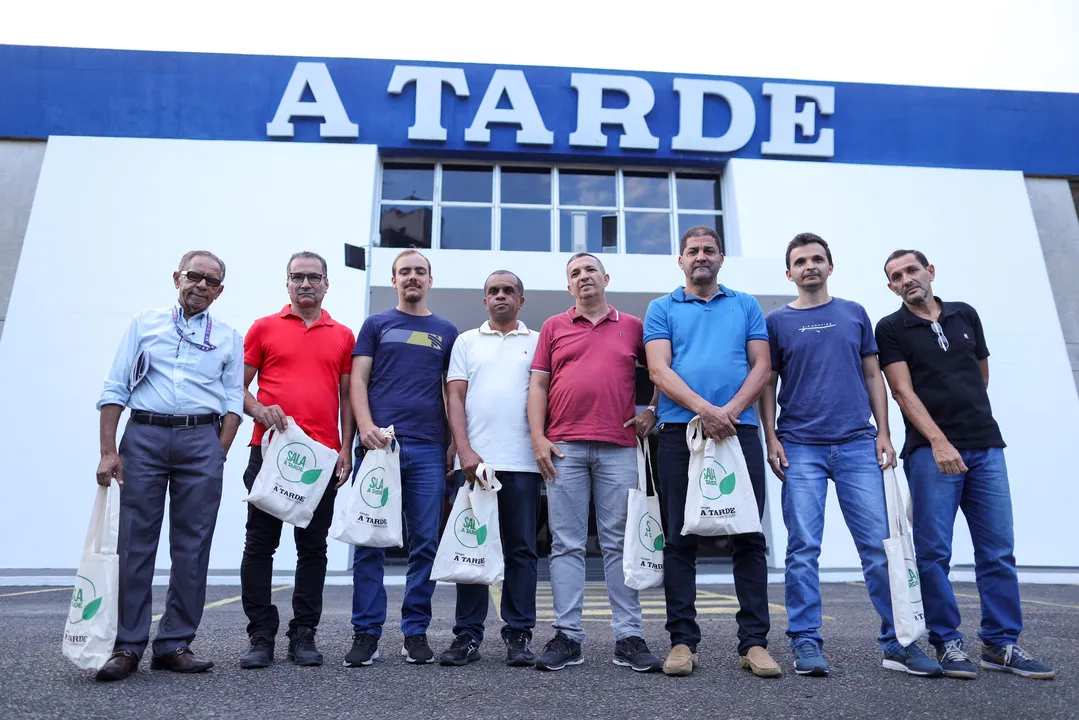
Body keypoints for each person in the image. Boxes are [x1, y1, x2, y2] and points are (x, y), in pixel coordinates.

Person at [761, 233, 942, 677]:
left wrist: (883, 432)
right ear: (789, 273)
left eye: (817, 259)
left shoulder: (853, 313)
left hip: (857, 444)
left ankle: (898, 644)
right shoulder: (777, 321)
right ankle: (806, 642)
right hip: (800, 445)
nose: (810, 266)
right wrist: (771, 438)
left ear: (830, 266)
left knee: (880, 548)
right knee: (803, 548)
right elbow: (767, 382)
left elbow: (872, 376)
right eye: (801, 261)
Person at [875, 250, 1056, 680]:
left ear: (930, 272)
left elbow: (980, 376)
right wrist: (939, 441)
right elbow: (901, 391)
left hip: (986, 447)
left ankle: (1001, 644)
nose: (906, 279)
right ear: (891, 287)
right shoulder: (891, 328)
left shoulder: (965, 315)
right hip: (929, 454)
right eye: (896, 276)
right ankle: (948, 643)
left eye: (912, 270)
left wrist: (967, 430)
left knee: (997, 551)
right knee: (935, 553)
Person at [93, 251, 244, 682]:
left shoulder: (230, 336)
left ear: (219, 291)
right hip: (145, 436)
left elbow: (234, 399)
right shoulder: (145, 323)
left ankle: (175, 643)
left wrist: (219, 449)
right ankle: (127, 645)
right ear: (177, 277)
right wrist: (108, 450)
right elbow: (115, 385)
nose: (201, 284)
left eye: (211, 280)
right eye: (193, 275)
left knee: (192, 546)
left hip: (202, 439)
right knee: (135, 543)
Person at [643, 225, 778, 678]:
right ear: (680, 260)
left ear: (721, 258)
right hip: (682, 433)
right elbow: (659, 371)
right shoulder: (661, 308)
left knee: (749, 536)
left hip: (739, 431)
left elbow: (762, 365)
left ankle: (754, 644)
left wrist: (731, 412)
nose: (701, 256)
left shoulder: (746, 305)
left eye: (709, 250)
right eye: (693, 251)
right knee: (680, 539)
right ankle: (682, 642)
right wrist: (706, 411)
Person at [527, 252, 662, 673]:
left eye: (589, 270)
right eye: (575, 273)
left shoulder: (633, 327)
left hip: (619, 445)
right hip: (563, 446)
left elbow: (660, 371)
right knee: (565, 543)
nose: (583, 277)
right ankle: (567, 636)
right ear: (569, 286)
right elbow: (538, 384)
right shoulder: (553, 326)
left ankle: (628, 637)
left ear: (606, 278)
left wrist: (652, 410)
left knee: (618, 544)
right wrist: (538, 438)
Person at [238, 251, 356, 669]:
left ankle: (303, 634)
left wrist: (346, 447)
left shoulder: (343, 335)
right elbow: (237, 388)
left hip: (321, 458)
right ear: (287, 283)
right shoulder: (263, 328)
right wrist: (257, 410)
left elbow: (346, 396)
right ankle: (260, 636)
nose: (305, 284)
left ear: (327, 284)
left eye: (313, 277)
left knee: (312, 549)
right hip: (268, 452)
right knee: (260, 545)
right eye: (297, 277)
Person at [345, 249, 458, 666]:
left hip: (428, 447)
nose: (413, 277)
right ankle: (366, 633)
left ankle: (415, 631)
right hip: (378, 447)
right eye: (405, 271)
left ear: (430, 280)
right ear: (394, 280)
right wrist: (365, 427)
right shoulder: (376, 324)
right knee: (369, 542)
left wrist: (451, 442)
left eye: (420, 272)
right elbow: (358, 379)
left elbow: (452, 390)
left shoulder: (446, 330)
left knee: (424, 542)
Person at [438, 270, 542, 668]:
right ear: (485, 300)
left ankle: (518, 636)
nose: (501, 296)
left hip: (523, 463)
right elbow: (455, 398)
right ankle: (467, 636)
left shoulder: (537, 341)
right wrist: (464, 450)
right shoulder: (466, 341)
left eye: (509, 291)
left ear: (521, 300)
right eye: (493, 291)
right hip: (477, 464)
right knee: (471, 548)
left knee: (522, 552)